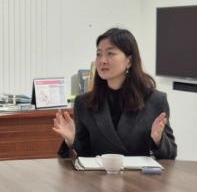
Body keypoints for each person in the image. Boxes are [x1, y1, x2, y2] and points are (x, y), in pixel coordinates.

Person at [54, 28, 176, 159]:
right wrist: (71, 140)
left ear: (129, 61)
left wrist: (158, 139)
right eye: (99, 54)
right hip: (98, 178)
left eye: (110, 53)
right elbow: (83, 155)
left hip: (138, 178)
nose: (102, 60)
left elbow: (170, 155)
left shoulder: (155, 100)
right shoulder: (84, 103)